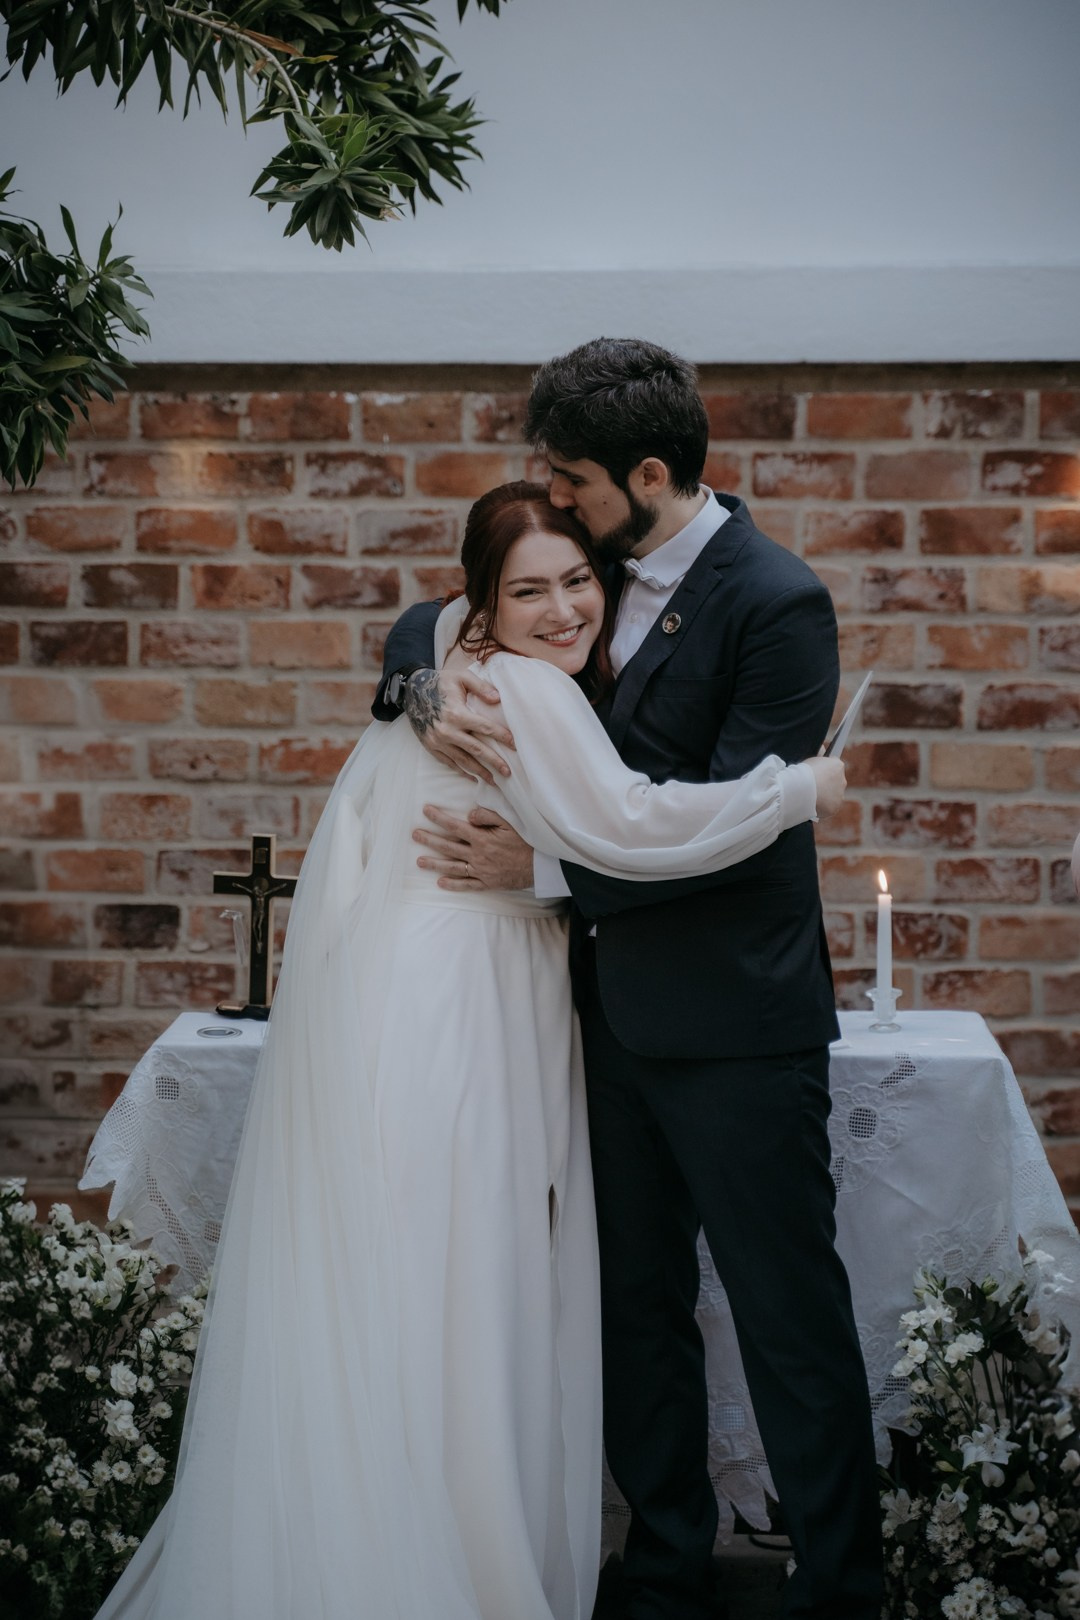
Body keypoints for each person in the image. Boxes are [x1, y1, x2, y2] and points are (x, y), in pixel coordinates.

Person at [93, 483, 844, 1620]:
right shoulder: (512, 677)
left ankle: (400, 1529)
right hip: (471, 994)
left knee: (422, 1272)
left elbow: (437, 638)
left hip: (450, 987)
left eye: (576, 578)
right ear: (482, 605)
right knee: (470, 1270)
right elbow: (634, 824)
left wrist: (533, 854)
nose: (563, 606)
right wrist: (800, 789)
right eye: (530, 589)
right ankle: (450, 1558)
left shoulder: (467, 648)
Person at [377, 340, 885, 1620]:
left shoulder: (779, 604)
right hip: (603, 1023)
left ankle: (841, 1585)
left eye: (572, 482)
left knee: (784, 1316)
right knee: (633, 1313)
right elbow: (436, 608)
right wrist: (417, 685)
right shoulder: (589, 567)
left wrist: (542, 866)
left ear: (646, 475)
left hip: (736, 1028)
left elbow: (718, 823)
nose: (553, 500)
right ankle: (663, 1564)